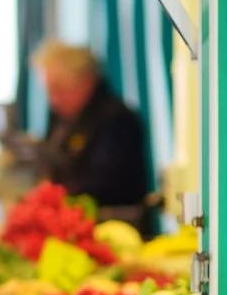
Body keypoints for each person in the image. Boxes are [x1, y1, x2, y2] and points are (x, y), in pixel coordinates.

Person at [32, 41, 152, 234]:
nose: (54, 100)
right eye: (50, 92)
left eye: (60, 89)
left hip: (112, 230)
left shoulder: (118, 119)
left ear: (86, 81)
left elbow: (108, 184)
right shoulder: (61, 119)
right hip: (71, 226)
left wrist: (56, 197)